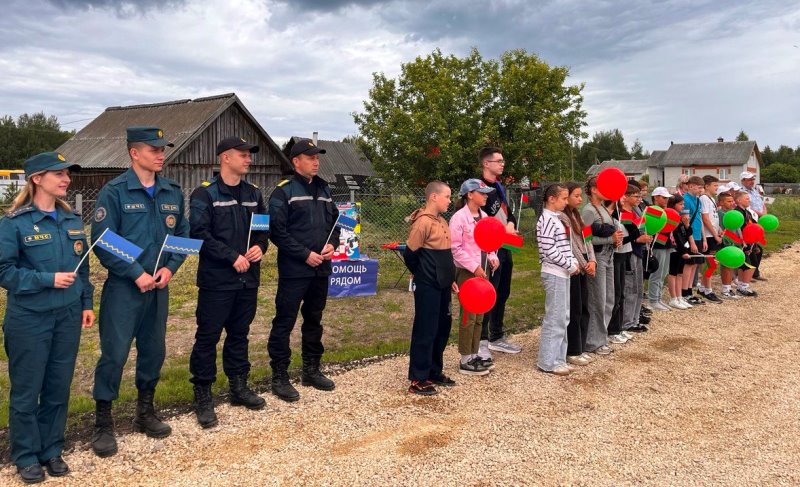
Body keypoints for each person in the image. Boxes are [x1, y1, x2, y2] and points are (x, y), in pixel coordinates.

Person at [90, 127, 190, 458]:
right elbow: (103, 240)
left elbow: (183, 235)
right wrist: (136, 273)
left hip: (158, 288)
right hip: (124, 289)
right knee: (114, 354)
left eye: (163, 149)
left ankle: (145, 412)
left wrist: (170, 268)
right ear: (134, 153)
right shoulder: (115, 192)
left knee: (153, 350)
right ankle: (103, 421)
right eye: (154, 149)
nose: (162, 154)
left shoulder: (172, 191)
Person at [0, 152, 94, 483]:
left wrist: (86, 303)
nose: (66, 179)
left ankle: (51, 449)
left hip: (67, 316)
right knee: (27, 390)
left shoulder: (72, 221)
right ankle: (26, 454)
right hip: (29, 319)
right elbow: (4, 271)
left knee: (58, 386)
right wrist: (47, 279)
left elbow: (83, 269)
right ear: (37, 179)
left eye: (67, 173)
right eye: (59, 174)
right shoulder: (14, 223)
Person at [188, 137, 269, 428]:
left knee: (239, 334)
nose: (248, 159)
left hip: (247, 281)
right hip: (217, 281)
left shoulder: (254, 193)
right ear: (225, 157)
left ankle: (238, 386)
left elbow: (263, 230)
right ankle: (203, 395)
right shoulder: (205, 193)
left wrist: (260, 247)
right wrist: (231, 256)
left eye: (249, 155)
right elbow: (199, 233)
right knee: (208, 337)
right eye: (242, 154)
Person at [268, 139, 339, 402]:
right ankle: (280, 376)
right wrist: (304, 254)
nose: (316, 162)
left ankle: (311, 370)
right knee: (284, 321)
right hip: (295, 270)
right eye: (310, 158)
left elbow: (336, 224)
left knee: (314, 320)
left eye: (317, 157)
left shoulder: (324, 189)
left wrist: (332, 244)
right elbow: (277, 232)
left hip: (321, 269)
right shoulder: (284, 191)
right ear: (296, 161)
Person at [403, 181, 458, 395]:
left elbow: (445, 256)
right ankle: (418, 378)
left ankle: (434, 370)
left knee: (442, 327)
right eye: (447, 196)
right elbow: (410, 254)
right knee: (426, 329)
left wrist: (449, 278)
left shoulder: (442, 221)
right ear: (434, 197)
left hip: (443, 283)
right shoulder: (422, 222)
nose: (450, 201)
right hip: (428, 285)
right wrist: (423, 275)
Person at [450, 179, 499, 375]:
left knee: (480, 315)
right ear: (470, 195)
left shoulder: (484, 216)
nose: (486, 196)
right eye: (482, 193)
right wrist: (474, 267)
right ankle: (465, 359)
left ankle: (474, 353)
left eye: (486, 193)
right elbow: (455, 249)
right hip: (468, 272)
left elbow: (489, 242)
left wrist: (493, 256)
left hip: (483, 271)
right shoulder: (459, 218)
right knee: (468, 316)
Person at [477, 147, 522, 358]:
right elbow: (480, 219)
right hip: (489, 249)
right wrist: (501, 230)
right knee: (489, 292)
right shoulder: (479, 188)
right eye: (499, 161)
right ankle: (481, 340)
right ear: (486, 163)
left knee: (503, 292)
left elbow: (508, 214)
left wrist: (511, 225)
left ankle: (496, 336)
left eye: (503, 161)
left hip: (506, 245)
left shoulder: (499, 187)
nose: (502, 164)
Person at [536, 184, 578, 375]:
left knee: (563, 316)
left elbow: (564, 245)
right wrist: (569, 264)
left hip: (562, 272)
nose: (566, 202)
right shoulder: (546, 219)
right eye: (563, 198)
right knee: (555, 317)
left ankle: (559, 358)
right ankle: (547, 361)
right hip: (554, 273)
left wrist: (572, 260)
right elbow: (548, 249)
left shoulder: (557, 218)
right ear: (551, 199)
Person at [582, 177, 622, 356]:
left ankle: (601, 337)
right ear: (593, 190)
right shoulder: (588, 211)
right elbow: (585, 239)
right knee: (597, 300)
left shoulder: (604, 208)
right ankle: (593, 341)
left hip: (609, 255)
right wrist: (609, 239)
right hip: (597, 257)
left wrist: (616, 240)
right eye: (603, 187)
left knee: (608, 299)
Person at [558, 182, 596, 366]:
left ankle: (581, 345)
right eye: (576, 196)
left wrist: (592, 260)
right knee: (575, 308)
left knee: (584, 307)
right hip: (574, 266)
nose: (580, 199)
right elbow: (571, 244)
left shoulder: (578, 215)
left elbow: (587, 239)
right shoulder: (563, 217)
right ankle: (573, 350)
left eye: (581, 196)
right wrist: (583, 263)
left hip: (585, 264)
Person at [620, 184, 652, 332]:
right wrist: (639, 239)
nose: (639, 199)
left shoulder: (635, 212)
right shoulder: (624, 213)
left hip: (639, 251)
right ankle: (627, 321)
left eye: (640, 196)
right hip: (630, 252)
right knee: (630, 287)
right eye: (636, 196)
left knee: (638, 287)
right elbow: (628, 236)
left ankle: (635, 318)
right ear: (625, 197)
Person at [604, 198, 631, 345]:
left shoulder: (621, 213)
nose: (624, 198)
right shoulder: (608, 214)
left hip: (622, 254)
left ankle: (618, 327)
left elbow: (631, 233)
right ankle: (611, 329)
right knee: (614, 293)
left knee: (620, 293)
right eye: (622, 196)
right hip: (613, 256)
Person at [647, 187, 674, 311]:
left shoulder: (665, 210)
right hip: (657, 244)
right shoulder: (652, 210)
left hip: (666, 243)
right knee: (657, 273)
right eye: (664, 198)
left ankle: (658, 298)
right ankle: (653, 300)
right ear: (656, 198)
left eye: (667, 198)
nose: (666, 200)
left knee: (664, 273)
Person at [680, 176, 705, 305]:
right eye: (699, 187)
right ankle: (684, 292)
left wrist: (704, 239)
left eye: (702, 187)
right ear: (690, 186)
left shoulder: (698, 200)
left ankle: (689, 290)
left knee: (695, 264)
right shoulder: (685, 199)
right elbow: (686, 222)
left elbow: (699, 219)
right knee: (688, 264)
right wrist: (692, 241)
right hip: (690, 236)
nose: (701, 190)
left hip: (698, 235)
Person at [698, 175, 723, 303]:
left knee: (712, 264)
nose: (717, 187)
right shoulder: (703, 198)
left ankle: (703, 287)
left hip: (713, 234)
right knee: (711, 264)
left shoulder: (711, 198)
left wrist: (719, 230)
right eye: (715, 185)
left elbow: (714, 218)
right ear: (707, 186)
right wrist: (714, 235)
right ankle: (707, 289)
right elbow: (705, 218)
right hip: (708, 236)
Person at [740, 171, 766, 280]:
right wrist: (760, 214)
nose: (752, 181)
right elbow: (748, 207)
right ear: (743, 181)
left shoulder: (754, 190)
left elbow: (762, 203)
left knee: (756, 246)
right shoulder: (742, 192)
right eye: (749, 179)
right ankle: (750, 273)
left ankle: (754, 272)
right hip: (751, 219)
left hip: (759, 219)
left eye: (752, 179)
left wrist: (764, 214)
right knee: (752, 247)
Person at [716, 191, 742, 300]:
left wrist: (740, 240)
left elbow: (737, 227)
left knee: (730, 266)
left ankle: (728, 287)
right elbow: (723, 230)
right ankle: (725, 289)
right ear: (721, 202)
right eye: (729, 201)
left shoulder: (732, 213)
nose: (732, 203)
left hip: (733, 242)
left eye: (732, 201)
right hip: (725, 242)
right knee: (726, 266)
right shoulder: (720, 214)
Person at [668, 200, 692, 309]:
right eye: (680, 204)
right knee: (673, 273)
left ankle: (679, 297)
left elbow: (686, 234)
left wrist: (687, 225)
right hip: (675, 250)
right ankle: (673, 298)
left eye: (683, 204)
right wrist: (682, 251)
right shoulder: (672, 217)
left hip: (683, 249)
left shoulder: (680, 218)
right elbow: (676, 236)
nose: (683, 206)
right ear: (674, 204)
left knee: (680, 274)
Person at [733, 191, 758, 297]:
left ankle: (741, 285)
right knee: (749, 265)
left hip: (749, 242)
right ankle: (744, 287)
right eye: (747, 199)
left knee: (746, 265)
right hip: (742, 242)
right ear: (739, 200)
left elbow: (753, 225)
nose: (749, 200)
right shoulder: (737, 212)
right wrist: (744, 243)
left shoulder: (747, 212)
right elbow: (739, 229)